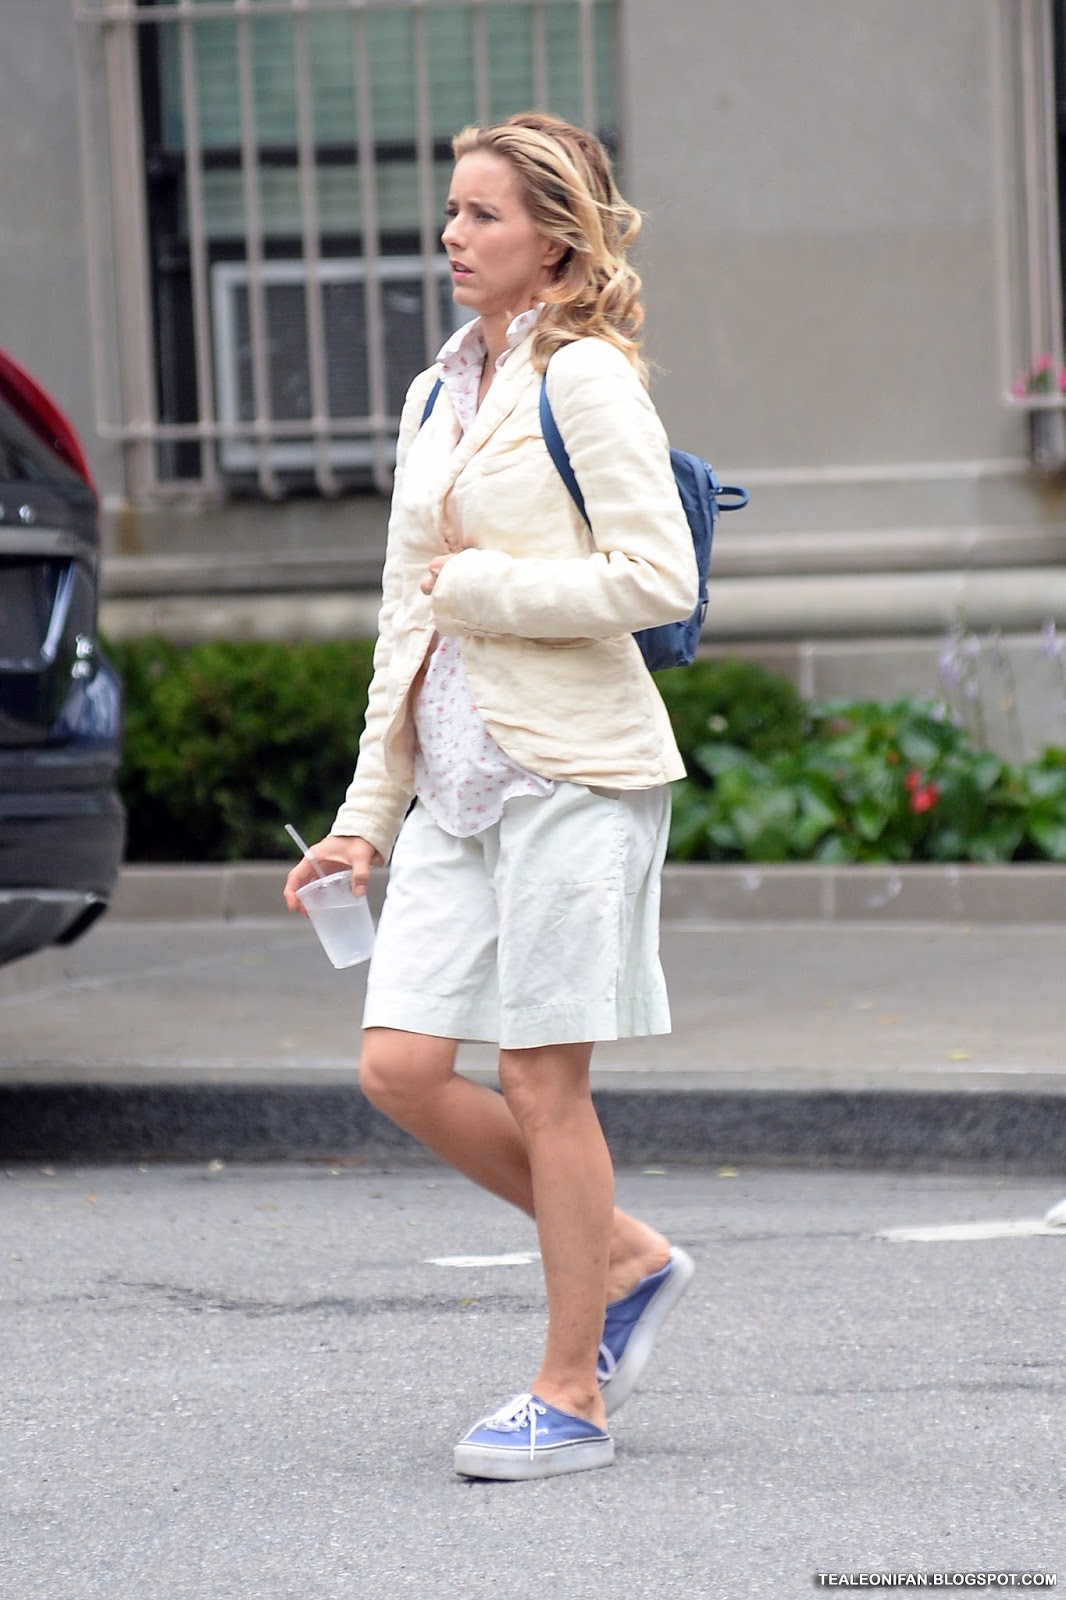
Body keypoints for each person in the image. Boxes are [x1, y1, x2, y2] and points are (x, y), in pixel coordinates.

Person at [283, 110, 697, 1482]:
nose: (452, 236)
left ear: (558, 242)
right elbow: (404, 622)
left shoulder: (585, 380)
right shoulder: (433, 391)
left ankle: (569, 1392)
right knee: (399, 1067)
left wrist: (487, 593)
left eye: (483, 216)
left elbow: (655, 581)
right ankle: (625, 1258)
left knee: (537, 1078)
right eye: (452, 212)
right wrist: (364, 815)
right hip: (455, 785)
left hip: (572, 772)